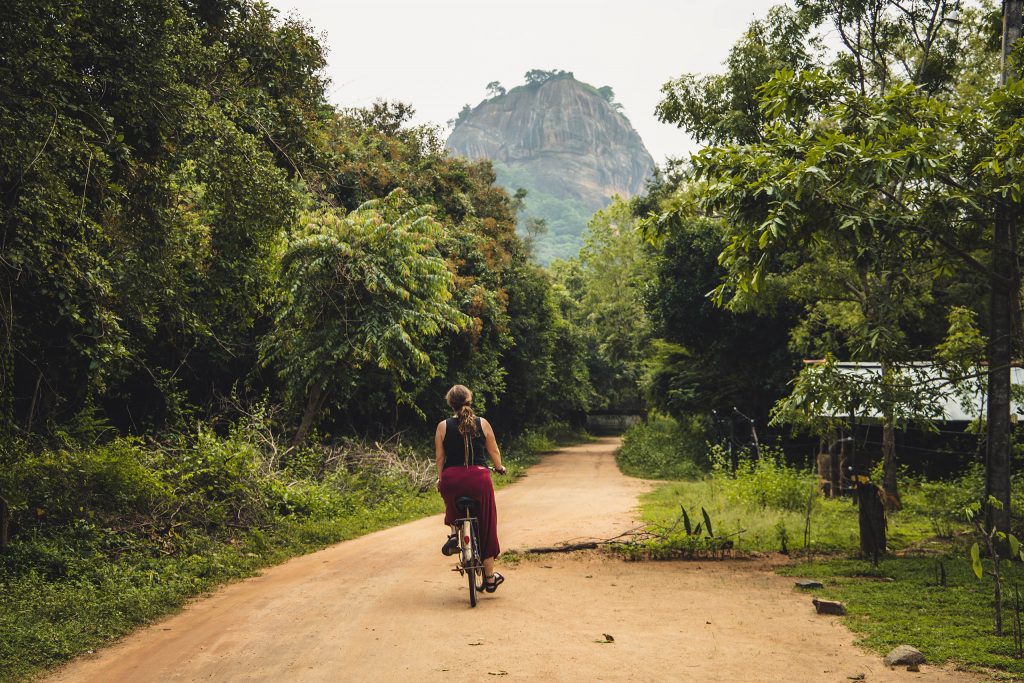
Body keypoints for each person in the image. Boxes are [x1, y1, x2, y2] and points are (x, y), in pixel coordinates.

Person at [435, 384, 506, 593]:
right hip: (479, 478)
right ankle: (490, 578)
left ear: (450, 403)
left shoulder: (442, 426)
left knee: (451, 501)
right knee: (486, 526)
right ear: (469, 400)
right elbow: (493, 450)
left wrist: (441, 479)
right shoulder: (482, 423)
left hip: (453, 479)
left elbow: (440, 458)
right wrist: (499, 467)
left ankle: (455, 533)